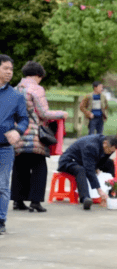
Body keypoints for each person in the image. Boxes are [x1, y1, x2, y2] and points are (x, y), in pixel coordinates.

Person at [11, 61, 68, 213]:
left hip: (18, 134)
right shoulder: (36, 89)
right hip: (34, 134)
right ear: (38, 75)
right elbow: (44, 113)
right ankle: (35, 202)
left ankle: (18, 201)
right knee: (39, 167)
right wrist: (62, 114)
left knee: (20, 166)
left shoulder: (15, 89)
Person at [0, 54, 28, 234]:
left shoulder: (16, 96)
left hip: (4, 148)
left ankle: (1, 220)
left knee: (2, 185)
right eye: (6, 68)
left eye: (11, 69)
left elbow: (24, 119)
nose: (10, 72)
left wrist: (17, 131)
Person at [57, 135, 117, 210]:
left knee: (109, 163)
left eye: (112, 152)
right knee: (81, 170)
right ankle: (85, 198)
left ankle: (110, 194)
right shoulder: (91, 146)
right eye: (109, 150)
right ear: (105, 143)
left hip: (84, 160)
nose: (109, 153)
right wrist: (99, 190)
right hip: (69, 161)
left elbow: (103, 160)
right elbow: (89, 169)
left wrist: (96, 167)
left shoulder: (107, 146)